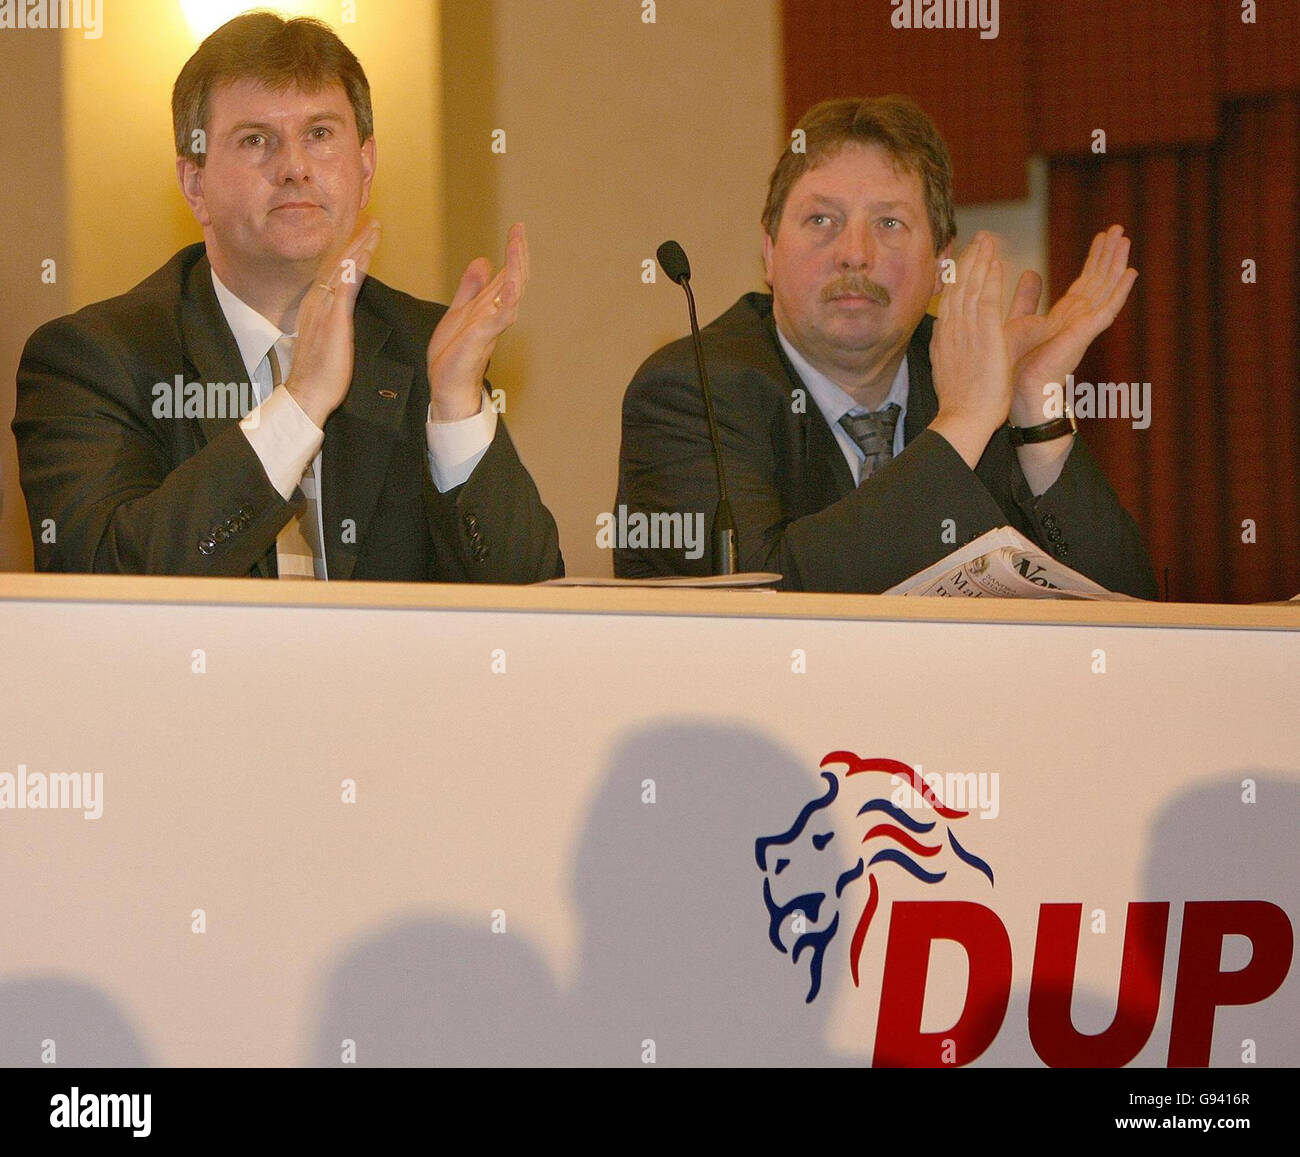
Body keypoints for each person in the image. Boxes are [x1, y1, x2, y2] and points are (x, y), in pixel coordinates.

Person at [13, 13, 561, 582]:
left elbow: (533, 605)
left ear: (366, 168)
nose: (295, 168)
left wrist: (457, 411)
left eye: (320, 135)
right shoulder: (93, 359)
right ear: (195, 184)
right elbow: (100, 581)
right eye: (257, 140)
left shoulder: (427, 351)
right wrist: (297, 406)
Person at [615, 96, 1156, 597]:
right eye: (821, 219)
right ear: (769, 254)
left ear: (942, 263)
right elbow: (764, 598)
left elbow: (1133, 610)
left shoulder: (976, 379)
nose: (854, 253)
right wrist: (963, 422)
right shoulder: (690, 390)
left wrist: (1036, 409)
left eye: (889, 222)